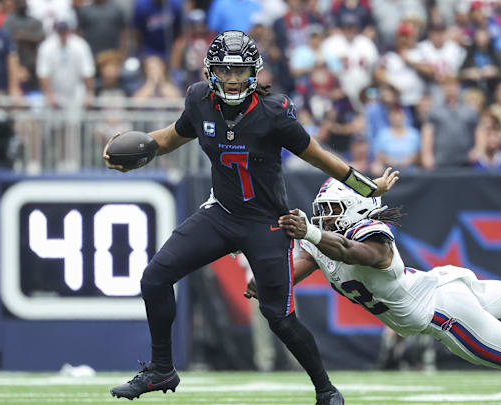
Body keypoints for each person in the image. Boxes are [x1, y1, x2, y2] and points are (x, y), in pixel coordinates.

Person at [104, 31, 398, 405]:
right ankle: (162, 368)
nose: (231, 78)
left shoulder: (274, 111)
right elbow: (166, 139)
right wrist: (129, 152)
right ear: (211, 71)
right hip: (221, 213)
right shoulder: (199, 100)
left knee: (280, 317)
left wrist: (366, 187)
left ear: (253, 72)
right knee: (155, 278)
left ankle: (326, 390)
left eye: (240, 70)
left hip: (267, 223)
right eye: (224, 69)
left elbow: (319, 156)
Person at [246, 179, 501, 381]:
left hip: (438, 309)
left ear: (351, 215)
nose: (322, 217)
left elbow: (354, 253)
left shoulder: (373, 240)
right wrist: (266, 281)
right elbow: (296, 269)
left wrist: (313, 234)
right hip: (439, 285)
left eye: (331, 211)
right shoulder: (324, 239)